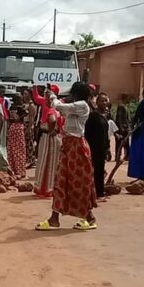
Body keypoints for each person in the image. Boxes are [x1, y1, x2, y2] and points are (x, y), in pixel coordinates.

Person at [36, 81, 96, 231]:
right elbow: (59, 109)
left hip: (77, 147)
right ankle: (54, 219)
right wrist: (52, 99)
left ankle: (89, 218)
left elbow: (60, 107)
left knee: (80, 182)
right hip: (68, 145)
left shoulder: (82, 105)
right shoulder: (75, 106)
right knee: (61, 181)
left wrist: (53, 97)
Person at [33, 85, 62, 198]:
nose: (46, 96)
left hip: (48, 136)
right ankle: (48, 188)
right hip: (53, 136)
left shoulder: (51, 109)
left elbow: (52, 120)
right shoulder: (58, 108)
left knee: (45, 161)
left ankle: (45, 188)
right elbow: (36, 97)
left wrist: (51, 130)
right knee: (51, 162)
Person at [85, 93, 110, 202]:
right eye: (101, 101)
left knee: (100, 171)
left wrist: (107, 148)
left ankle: (100, 193)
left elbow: (106, 135)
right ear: (97, 102)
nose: (104, 103)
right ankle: (95, 194)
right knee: (95, 171)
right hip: (94, 148)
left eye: (105, 101)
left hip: (102, 149)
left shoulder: (104, 116)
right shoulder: (93, 116)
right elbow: (87, 133)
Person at [6, 95, 28, 179]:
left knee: (11, 150)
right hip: (18, 128)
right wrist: (19, 118)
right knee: (20, 151)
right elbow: (26, 113)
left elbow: (8, 119)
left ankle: (12, 170)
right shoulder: (20, 108)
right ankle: (20, 171)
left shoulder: (11, 107)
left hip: (12, 127)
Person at [22, 89, 37, 167]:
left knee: (29, 143)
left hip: (28, 125)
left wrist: (29, 129)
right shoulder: (25, 104)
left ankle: (30, 160)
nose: (23, 95)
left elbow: (31, 118)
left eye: (25, 94)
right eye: (23, 94)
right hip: (24, 124)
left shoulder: (31, 105)